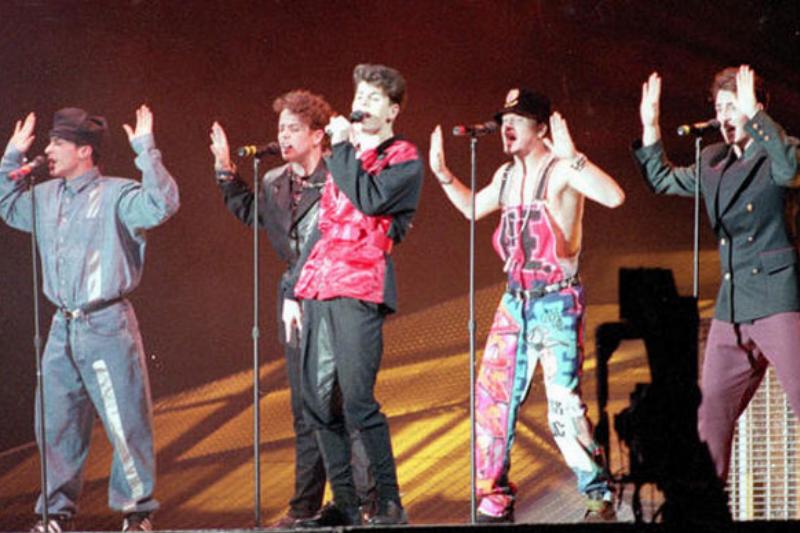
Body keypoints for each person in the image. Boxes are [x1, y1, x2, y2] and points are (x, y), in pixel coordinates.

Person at [429, 88, 625, 523]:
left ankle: (598, 496)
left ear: (540, 127)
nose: (506, 128)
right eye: (504, 120)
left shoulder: (561, 170)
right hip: (514, 302)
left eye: (516, 120)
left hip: (556, 302)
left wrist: (575, 157)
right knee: (493, 401)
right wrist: (443, 174)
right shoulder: (505, 176)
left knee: (562, 406)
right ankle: (494, 499)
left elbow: (614, 196)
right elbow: (473, 209)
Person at [0, 105, 179, 532]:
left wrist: (146, 149)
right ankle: (55, 514)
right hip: (62, 327)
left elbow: (161, 204)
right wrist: (10, 157)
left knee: (124, 419)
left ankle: (137, 511)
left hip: (107, 323)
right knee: (56, 422)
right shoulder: (44, 197)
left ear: (84, 151)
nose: (48, 150)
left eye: (57, 142)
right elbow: (6, 204)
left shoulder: (117, 194)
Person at [208, 89, 375, 527]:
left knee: (346, 401)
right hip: (297, 303)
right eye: (280, 129)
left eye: (293, 129)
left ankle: (365, 500)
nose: (283, 137)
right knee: (306, 407)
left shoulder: (340, 174)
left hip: (338, 295)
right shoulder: (274, 180)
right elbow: (256, 215)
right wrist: (226, 172)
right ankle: (306, 505)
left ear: (318, 135)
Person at [634, 65, 800, 483]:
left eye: (733, 106)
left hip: (779, 299)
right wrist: (650, 126)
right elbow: (662, 179)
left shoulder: (781, 151)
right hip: (733, 306)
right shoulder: (712, 161)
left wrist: (757, 118)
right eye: (720, 108)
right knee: (711, 414)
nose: (724, 117)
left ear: (756, 107)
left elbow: (788, 171)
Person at [282, 64, 423, 526]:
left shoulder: (401, 157)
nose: (363, 104)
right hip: (319, 285)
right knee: (317, 401)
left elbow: (371, 200)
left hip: (360, 284)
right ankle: (344, 503)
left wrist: (343, 147)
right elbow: (323, 228)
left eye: (374, 98)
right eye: (360, 95)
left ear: (392, 110)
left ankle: (388, 501)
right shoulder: (346, 158)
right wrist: (293, 291)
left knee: (358, 399)